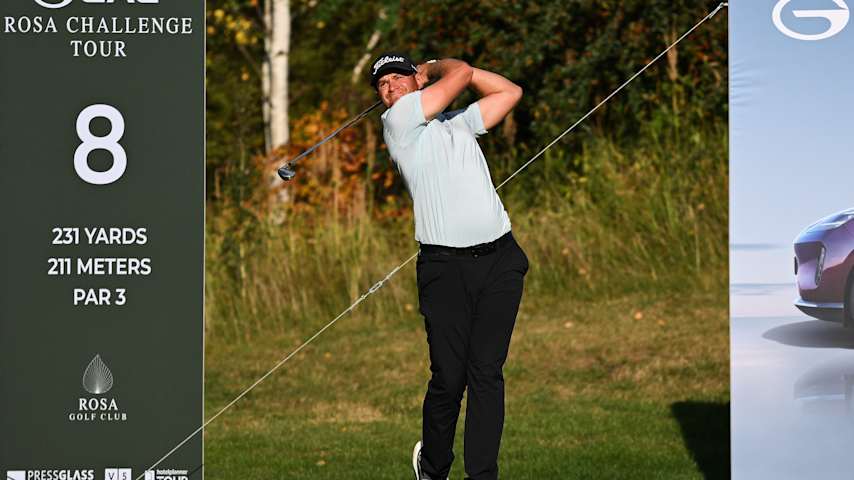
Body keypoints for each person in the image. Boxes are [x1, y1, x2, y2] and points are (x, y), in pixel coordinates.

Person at [369, 52, 529, 480]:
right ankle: (433, 467)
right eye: (382, 84)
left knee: (486, 375)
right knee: (449, 378)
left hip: (500, 260)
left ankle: (482, 475)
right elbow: (458, 74)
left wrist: (452, 72)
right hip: (445, 269)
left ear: (414, 81)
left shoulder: (456, 123)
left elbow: (510, 91)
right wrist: (438, 68)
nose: (390, 87)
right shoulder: (399, 123)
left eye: (398, 77)